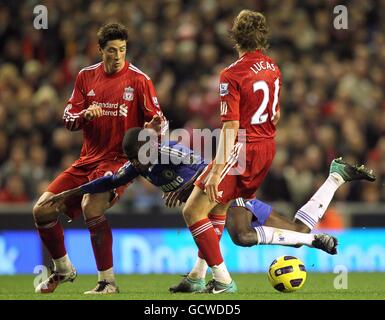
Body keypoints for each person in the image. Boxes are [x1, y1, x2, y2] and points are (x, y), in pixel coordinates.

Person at [41, 128, 376, 294]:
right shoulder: (138, 166)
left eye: (142, 156)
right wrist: (66, 194)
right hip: (221, 198)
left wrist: (188, 189)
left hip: (226, 188)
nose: (140, 163)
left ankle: (314, 242)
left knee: (241, 236)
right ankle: (335, 176)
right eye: (134, 159)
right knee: (292, 232)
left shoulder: (169, 151)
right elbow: (105, 182)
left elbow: (209, 164)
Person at [32, 23, 165, 294]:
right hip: (88, 160)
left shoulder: (140, 80)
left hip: (118, 162)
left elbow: (159, 121)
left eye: (122, 50)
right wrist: (84, 117)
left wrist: (153, 128)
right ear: (100, 50)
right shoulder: (85, 77)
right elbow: (68, 118)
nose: (117, 56)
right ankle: (63, 268)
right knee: (42, 210)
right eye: (112, 50)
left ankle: (108, 281)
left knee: (91, 206)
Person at [179, 10, 282, 293]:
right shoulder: (273, 67)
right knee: (219, 207)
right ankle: (198, 275)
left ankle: (223, 280)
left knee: (192, 210)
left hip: (242, 148)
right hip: (266, 147)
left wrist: (215, 172)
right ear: (263, 36)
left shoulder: (231, 74)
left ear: (235, 36)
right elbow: (276, 114)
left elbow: (231, 127)